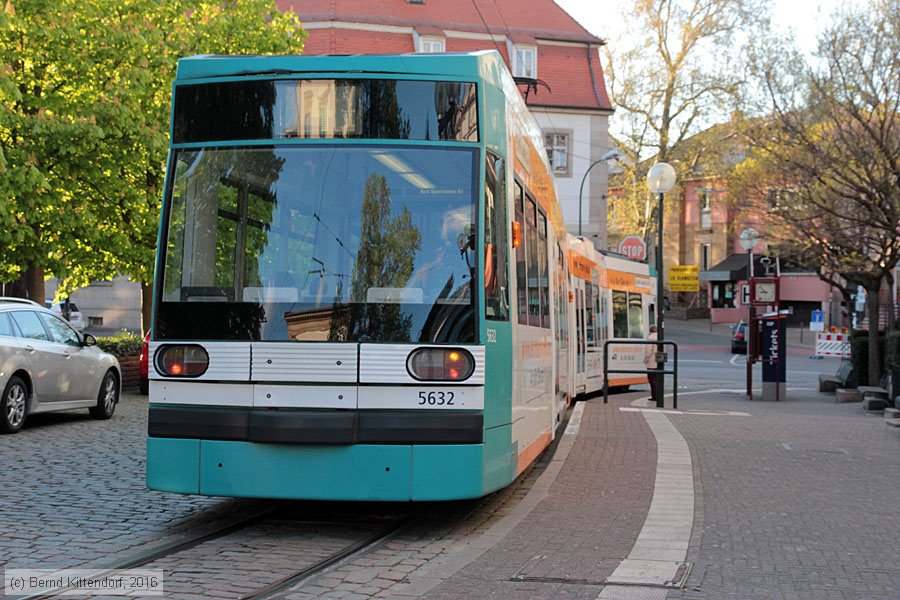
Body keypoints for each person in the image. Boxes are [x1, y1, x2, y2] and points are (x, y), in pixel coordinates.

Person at [644, 324, 659, 403]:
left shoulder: (650, 338)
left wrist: (645, 360)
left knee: (652, 380)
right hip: (659, 362)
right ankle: (658, 395)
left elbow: (648, 352)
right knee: (658, 379)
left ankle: (654, 396)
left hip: (652, 362)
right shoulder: (661, 337)